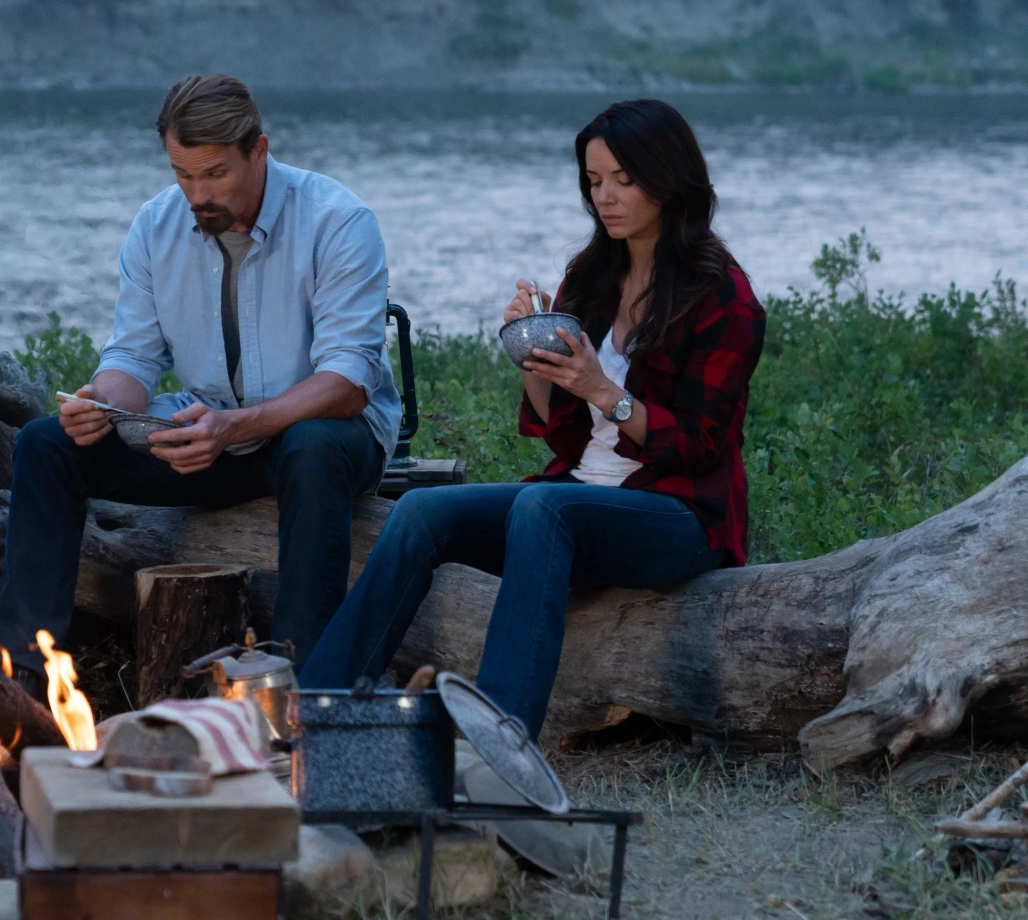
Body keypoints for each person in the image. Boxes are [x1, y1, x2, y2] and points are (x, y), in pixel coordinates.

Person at [299, 99, 766, 737]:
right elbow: (560, 428)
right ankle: (314, 716)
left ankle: (498, 741)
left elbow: (700, 448)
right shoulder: (593, 275)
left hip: (679, 517)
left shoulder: (724, 297)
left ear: (669, 178)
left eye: (623, 180)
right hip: (578, 500)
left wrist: (609, 393)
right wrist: (531, 353)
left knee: (542, 507)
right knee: (420, 512)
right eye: (594, 181)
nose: (606, 196)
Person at [0, 74, 402, 689]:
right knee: (49, 445)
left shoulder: (339, 221)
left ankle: (304, 685)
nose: (197, 194)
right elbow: (133, 360)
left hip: (325, 438)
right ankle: (25, 680)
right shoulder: (156, 226)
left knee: (312, 446)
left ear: (258, 151)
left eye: (214, 174)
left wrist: (234, 426)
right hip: (212, 430)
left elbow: (347, 383)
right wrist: (100, 402)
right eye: (183, 174)